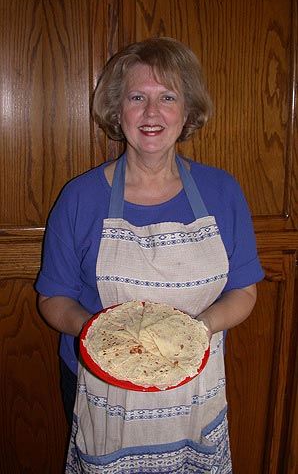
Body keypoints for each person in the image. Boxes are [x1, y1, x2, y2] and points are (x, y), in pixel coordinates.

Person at [36, 37, 264, 473]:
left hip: (194, 391)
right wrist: (112, 339)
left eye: (168, 97)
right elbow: (53, 300)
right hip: (104, 391)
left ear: (187, 111)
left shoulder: (223, 192)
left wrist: (193, 333)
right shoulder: (80, 198)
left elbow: (245, 291)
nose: (152, 113)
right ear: (118, 112)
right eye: (137, 97)